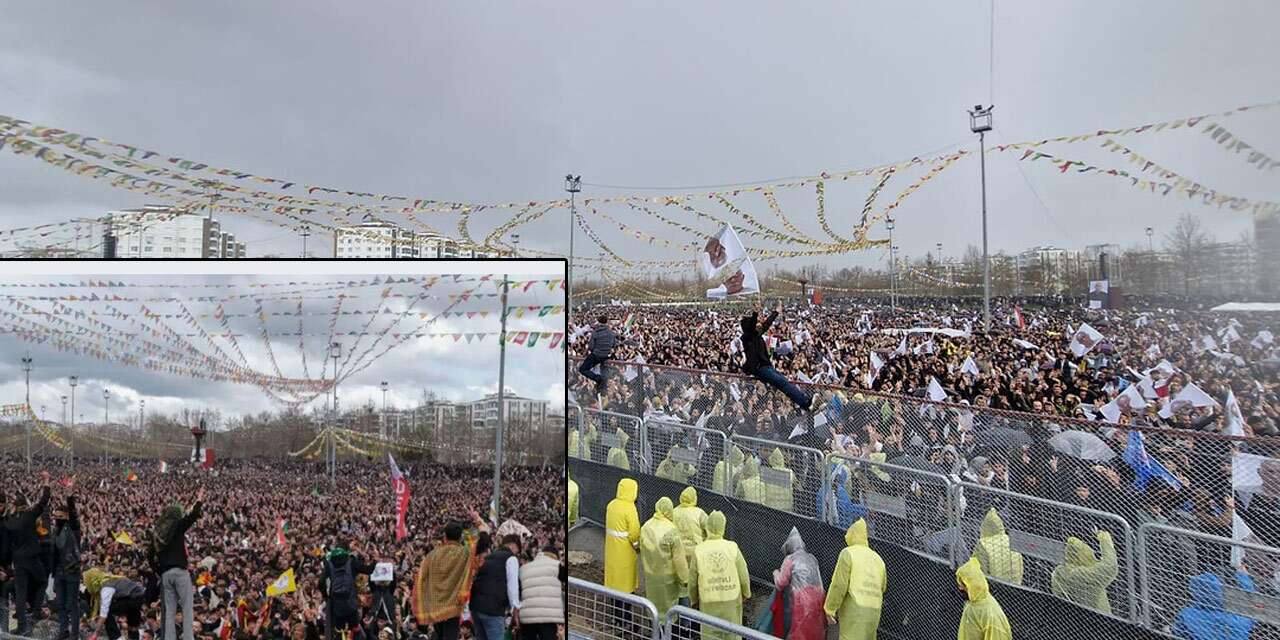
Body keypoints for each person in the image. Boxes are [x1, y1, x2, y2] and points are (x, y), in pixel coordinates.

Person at [740, 302, 825, 412]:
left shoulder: (756, 335)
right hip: (760, 369)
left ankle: (808, 405)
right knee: (783, 383)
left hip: (767, 366)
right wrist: (755, 313)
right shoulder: (747, 338)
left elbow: (766, 324)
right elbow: (752, 326)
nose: (758, 324)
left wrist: (776, 312)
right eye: (755, 323)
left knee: (785, 383)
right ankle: (807, 403)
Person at [150, 486, 204, 640]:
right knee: (187, 608)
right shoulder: (176, 526)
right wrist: (199, 501)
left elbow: (149, 556)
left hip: (165, 575)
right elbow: (191, 517)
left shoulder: (156, 533)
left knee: (169, 611)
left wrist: (159, 571)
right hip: (180, 572)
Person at [688, 510, 751, 640]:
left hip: (708, 602)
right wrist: (746, 593)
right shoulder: (732, 547)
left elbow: (693, 580)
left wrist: (694, 600)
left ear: (707, 527)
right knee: (732, 634)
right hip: (731, 601)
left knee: (709, 635)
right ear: (723, 526)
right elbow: (743, 574)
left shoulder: (699, 550)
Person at [823, 519, 885, 640]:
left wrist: (830, 609)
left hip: (855, 610)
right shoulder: (878, 559)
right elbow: (882, 587)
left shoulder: (848, 553)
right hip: (874, 612)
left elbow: (839, 585)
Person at [4, 475, 50, 635]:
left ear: (15, 507)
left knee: (20, 593)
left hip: (18, 561)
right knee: (42, 581)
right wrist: (46, 482)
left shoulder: (10, 522)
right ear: (25, 506)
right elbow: (44, 501)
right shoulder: (30, 515)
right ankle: (36, 611)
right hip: (32, 558)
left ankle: (21, 626)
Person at [412, 522, 474, 640]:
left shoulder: (432, 555)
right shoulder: (464, 553)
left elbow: (421, 578)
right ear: (460, 537)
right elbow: (474, 546)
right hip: (453, 606)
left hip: (436, 606)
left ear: (445, 536)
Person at [772, 527, 826, 640]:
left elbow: (781, 583)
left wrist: (776, 573)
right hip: (819, 596)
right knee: (815, 626)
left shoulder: (790, 559)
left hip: (801, 598)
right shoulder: (812, 558)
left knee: (800, 628)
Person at [639, 497, 689, 615]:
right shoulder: (671, 530)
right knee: (668, 609)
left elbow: (642, 548)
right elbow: (679, 559)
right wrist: (685, 579)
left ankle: (652, 624)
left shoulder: (646, 526)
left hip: (651, 576)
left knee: (653, 605)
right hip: (667, 578)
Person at [1171, 570, 1256, 640]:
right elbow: (1249, 600)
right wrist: (1243, 576)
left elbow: (1178, 632)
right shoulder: (1238, 615)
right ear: (1219, 590)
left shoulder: (1188, 614)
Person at [1050, 529, 1118, 615]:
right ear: (1082, 556)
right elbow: (1110, 566)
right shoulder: (1084, 575)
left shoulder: (1059, 571)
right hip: (1099, 618)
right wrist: (1106, 542)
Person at [469, 534, 522, 640]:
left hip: (475, 606)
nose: (517, 554)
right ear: (513, 545)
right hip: (493, 608)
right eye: (518, 551)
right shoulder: (511, 558)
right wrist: (515, 609)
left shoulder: (489, 557)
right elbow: (512, 586)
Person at [321, 543, 375, 640]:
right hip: (351, 603)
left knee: (339, 631)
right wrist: (375, 561)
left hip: (337, 605)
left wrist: (326, 596)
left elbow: (320, 583)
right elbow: (368, 570)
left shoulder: (329, 564)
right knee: (355, 629)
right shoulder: (351, 561)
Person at [516, 542, 565, 640]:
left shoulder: (524, 568)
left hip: (527, 616)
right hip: (548, 617)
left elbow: (518, 592)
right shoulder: (557, 566)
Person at [84, 567, 148, 640]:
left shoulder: (106, 588)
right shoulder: (112, 579)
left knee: (107, 610)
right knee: (133, 625)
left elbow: (104, 613)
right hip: (138, 597)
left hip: (132, 599)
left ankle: (115, 637)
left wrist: (96, 633)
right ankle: (134, 637)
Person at [955, 558, 1012, 640]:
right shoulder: (973, 601)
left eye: (963, 585)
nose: (960, 588)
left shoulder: (991, 615)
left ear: (973, 586)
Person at [52, 491, 83, 640]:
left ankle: (74, 634)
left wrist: (70, 498)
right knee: (60, 604)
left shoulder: (73, 529)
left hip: (72, 571)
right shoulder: (55, 531)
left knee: (72, 604)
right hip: (59, 571)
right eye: (55, 516)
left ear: (66, 517)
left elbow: (74, 516)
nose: (57, 519)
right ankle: (63, 630)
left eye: (60, 517)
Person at [603, 479, 641, 594]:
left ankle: (613, 602)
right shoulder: (630, 508)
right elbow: (634, 532)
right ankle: (625, 603)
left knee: (613, 574)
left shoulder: (611, 505)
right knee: (625, 577)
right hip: (625, 550)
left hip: (611, 548)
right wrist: (636, 545)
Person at [970, 509, 1023, 586]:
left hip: (993, 586)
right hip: (1015, 585)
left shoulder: (983, 544)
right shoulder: (1011, 541)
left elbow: (979, 571)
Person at [578, 315, 618, 396]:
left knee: (583, 369)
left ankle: (598, 379)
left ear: (598, 322)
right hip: (606, 356)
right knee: (603, 370)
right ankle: (602, 388)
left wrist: (597, 351)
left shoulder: (595, 332)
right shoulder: (612, 333)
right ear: (607, 322)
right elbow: (614, 345)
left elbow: (591, 347)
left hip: (596, 355)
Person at [764, 448, 795, 513]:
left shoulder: (767, 472)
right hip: (787, 507)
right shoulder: (790, 472)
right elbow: (796, 484)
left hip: (771, 507)